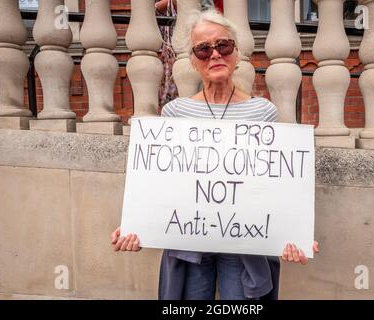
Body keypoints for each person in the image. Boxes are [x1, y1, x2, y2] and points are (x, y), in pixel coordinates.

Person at [111, 9, 319, 300]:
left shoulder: (262, 113)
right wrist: (137, 223)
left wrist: (291, 234)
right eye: (203, 49)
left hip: (244, 244)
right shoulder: (176, 113)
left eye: (223, 46)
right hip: (189, 240)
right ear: (194, 62)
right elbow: (161, 182)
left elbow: (276, 185)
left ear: (236, 54)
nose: (215, 55)